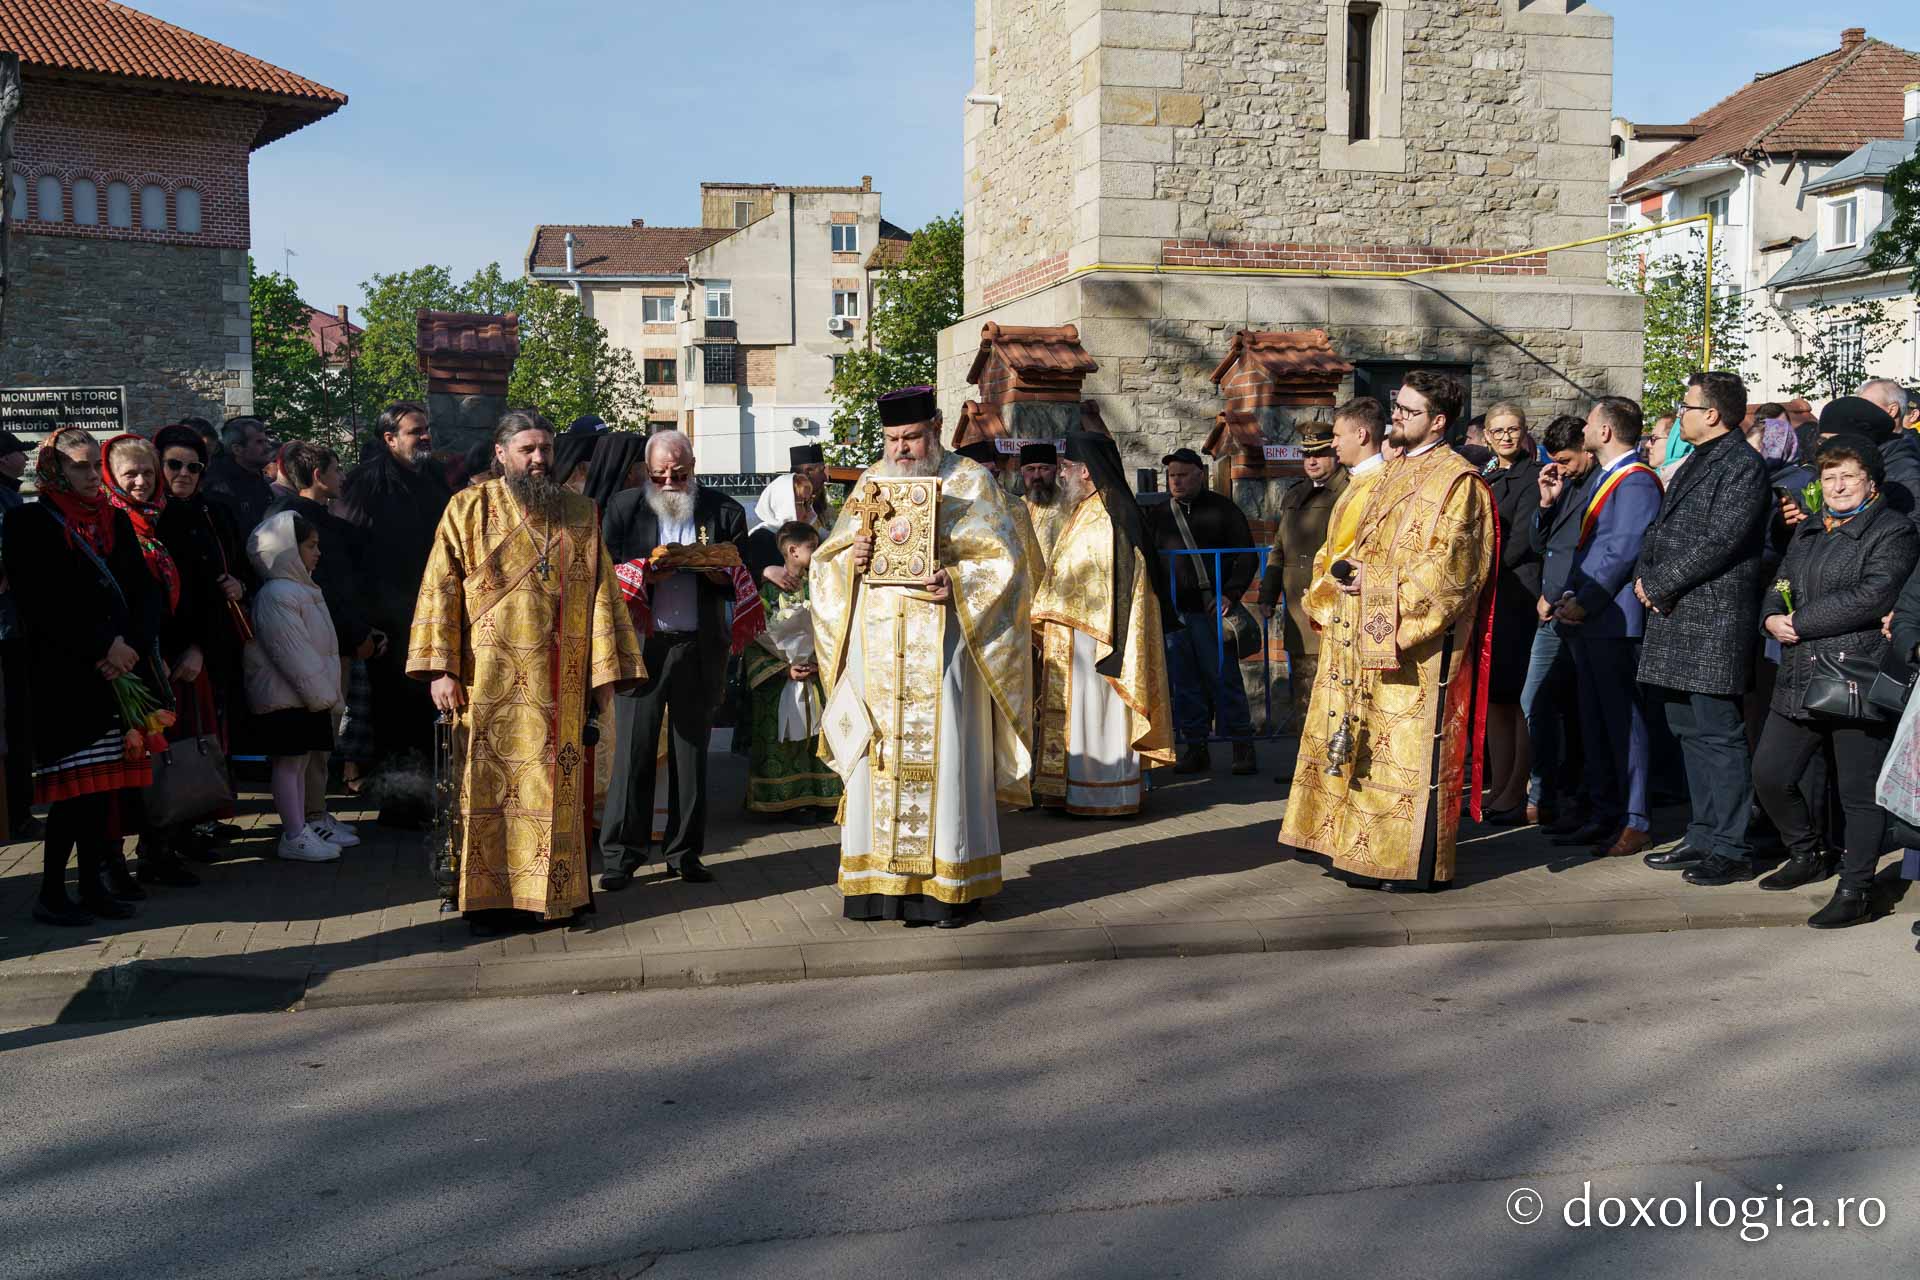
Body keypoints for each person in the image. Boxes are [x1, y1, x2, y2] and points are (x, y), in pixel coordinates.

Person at [411, 410, 644, 930]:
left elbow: (604, 595)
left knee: (555, 792)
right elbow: (439, 588)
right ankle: (492, 903)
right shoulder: (467, 509)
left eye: (545, 449)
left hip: (559, 682)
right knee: (487, 790)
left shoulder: (580, 512)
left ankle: (555, 897)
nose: (539, 460)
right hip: (484, 680)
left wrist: (605, 676)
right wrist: (441, 670)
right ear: (501, 453)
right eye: (527, 450)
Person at [811, 386, 1034, 927]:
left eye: (911, 437)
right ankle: (875, 888)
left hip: (945, 648)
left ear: (934, 427)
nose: (902, 450)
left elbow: (1006, 561)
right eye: (892, 440)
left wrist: (955, 578)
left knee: (948, 759)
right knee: (876, 760)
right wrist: (852, 559)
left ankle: (948, 889)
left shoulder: (971, 481)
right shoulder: (869, 483)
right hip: (879, 656)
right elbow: (826, 563)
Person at [1280, 370, 1497, 893]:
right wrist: (1348, 576)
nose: (1395, 418)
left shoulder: (1458, 482)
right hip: (1363, 630)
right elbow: (1364, 545)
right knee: (1365, 744)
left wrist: (1382, 597)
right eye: (1396, 408)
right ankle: (1360, 852)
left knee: (1404, 753)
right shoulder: (1393, 471)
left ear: (1438, 421)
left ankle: (1410, 863)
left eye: (1407, 411)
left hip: (1415, 645)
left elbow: (1453, 569)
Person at [1752, 437, 1918, 927]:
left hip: (1854, 673)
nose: (1837, 485)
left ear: (1870, 479)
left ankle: (1857, 888)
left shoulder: (1893, 530)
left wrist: (1799, 621)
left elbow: (1874, 594)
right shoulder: (1809, 528)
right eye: (1828, 477)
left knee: (1858, 790)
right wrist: (1769, 617)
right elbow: (1780, 582)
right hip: (1800, 672)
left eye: (1847, 475)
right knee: (1770, 773)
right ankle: (1807, 852)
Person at [7, 428, 164, 924]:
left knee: (103, 793)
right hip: (66, 676)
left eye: (94, 465)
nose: (90, 475)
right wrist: (103, 647)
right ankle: (53, 893)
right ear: (53, 468)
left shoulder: (113, 519)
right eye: (78, 466)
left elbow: (144, 592)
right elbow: (42, 601)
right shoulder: (29, 521)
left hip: (118, 672)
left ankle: (94, 886)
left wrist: (131, 647)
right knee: (73, 795)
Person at [1635, 371, 1772, 885]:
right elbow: (1664, 530)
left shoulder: (1742, 466)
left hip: (1710, 617)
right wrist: (1645, 578)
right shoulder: (1699, 459)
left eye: (1687, 406)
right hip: (1676, 614)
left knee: (1718, 733)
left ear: (1711, 414)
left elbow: (1721, 541)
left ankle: (1731, 847)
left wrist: (1659, 583)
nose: (1681, 414)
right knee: (1688, 730)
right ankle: (1704, 832)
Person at [599, 428, 748, 887]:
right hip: (643, 646)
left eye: (678, 474)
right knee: (634, 753)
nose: (669, 483)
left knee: (691, 753)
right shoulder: (624, 507)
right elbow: (604, 569)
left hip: (699, 645)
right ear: (647, 471)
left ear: (693, 468)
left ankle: (684, 853)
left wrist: (713, 570)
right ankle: (622, 856)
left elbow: (740, 576)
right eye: (660, 475)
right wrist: (647, 574)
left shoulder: (723, 510)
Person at [1030, 431, 1177, 814]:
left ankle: (1104, 794)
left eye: (1065, 468)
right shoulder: (1083, 510)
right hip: (1076, 634)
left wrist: (1054, 611)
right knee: (1079, 715)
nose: (1060, 475)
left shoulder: (1113, 516)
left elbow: (1118, 585)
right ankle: (1070, 791)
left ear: (1087, 473)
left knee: (1098, 713)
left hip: (1101, 641)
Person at [1544, 398, 1662, 858]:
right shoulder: (1604, 476)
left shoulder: (1635, 481)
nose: (1586, 428)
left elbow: (1621, 548)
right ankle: (1603, 811)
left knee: (1623, 722)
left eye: (1591, 422)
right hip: (1590, 616)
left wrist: (1586, 601)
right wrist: (1571, 595)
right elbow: (1586, 546)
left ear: (1607, 432)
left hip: (1614, 620)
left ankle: (1635, 818)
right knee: (1593, 721)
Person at [98, 433, 208, 888]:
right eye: (132, 474)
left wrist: (192, 646)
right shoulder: (109, 522)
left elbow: (185, 592)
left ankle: (160, 847)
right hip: (127, 658)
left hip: (165, 653)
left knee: (161, 758)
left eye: (147, 472)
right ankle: (114, 861)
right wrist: (142, 652)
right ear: (113, 477)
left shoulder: (163, 519)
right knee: (126, 764)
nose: (141, 482)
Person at [338, 401, 452, 827]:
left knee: (429, 710)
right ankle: (398, 802)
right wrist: (364, 618)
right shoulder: (366, 482)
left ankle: (427, 797)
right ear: (389, 438)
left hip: (433, 610)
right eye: (414, 431)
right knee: (394, 715)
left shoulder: (435, 477)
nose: (424, 437)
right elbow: (349, 550)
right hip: (388, 619)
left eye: (426, 430)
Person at [150, 424, 250, 860]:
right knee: (175, 743)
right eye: (174, 465)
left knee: (208, 736)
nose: (184, 473)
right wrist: (191, 646)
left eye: (193, 466)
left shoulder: (215, 510)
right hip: (170, 648)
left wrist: (239, 584)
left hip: (213, 643)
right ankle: (168, 834)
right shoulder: (150, 517)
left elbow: (239, 563)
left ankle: (199, 817)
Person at [265, 443, 371, 848]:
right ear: (316, 476)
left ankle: (317, 812)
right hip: (315, 650)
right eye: (336, 470)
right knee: (311, 742)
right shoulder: (292, 520)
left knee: (325, 742)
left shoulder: (319, 518)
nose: (341, 478)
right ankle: (307, 818)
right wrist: (354, 632)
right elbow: (328, 586)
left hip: (332, 643)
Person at [1148, 446, 1258, 776]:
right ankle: (1196, 746)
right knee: (1185, 684)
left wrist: (1231, 594)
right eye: (1171, 476)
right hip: (1174, 611)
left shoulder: (1223, 510)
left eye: (1182, 475)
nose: (1176, 482)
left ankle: (1242, 744)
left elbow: (1247, 555)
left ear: (1200, 475)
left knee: (1223, 678)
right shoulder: (1158, 514)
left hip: (1211, 611)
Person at [244, 512, 346, 863]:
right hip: (287, 699)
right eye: (310, 546)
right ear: (288, 549)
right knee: (288, 766)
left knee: (299, 765)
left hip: (303, 697)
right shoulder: (278, 593)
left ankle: (303, 825)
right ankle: (294, 833)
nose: (318, 553)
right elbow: (294, 653)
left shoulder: (301, 588)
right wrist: (324, 697)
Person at [1524, 415, 1596, 830]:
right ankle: (1543, 788)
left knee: (1577, 711)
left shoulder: (1600, 486)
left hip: (1580, 609)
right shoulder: (1564, 485)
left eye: (1567, 460)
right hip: (1550, 613)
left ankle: (1572, 793)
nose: (1562, 468)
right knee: (1533, 701)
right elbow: (1541, 544)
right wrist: (1547, 502)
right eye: (1556, 462)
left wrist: (1567, 594)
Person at [1256, 421, 1347, 741]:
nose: (1311, 461)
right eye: (1307, 455)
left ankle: (1330, 762)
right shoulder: (1295, 495)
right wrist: (1267, 594)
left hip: (1334, 608)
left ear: (1334, 454)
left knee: (1336, 688)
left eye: (1319, 454)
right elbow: (1279, 550)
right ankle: (1306, 762)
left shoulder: (1349, 492)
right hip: (1299, 609)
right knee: (1304, 688)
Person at [744, 521, 842, 817]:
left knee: (819, 738)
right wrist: (784, 669)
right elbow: (752, 637)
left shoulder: (823, 587)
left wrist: (819, 661)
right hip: (778, 679)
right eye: (813, 547)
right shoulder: (767, 591)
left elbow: (836, 626)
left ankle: (822, 798)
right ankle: (780, 801)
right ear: (792, 550)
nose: (819, 551)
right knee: (781, 741)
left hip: (817, 673)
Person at [1478, 404, 1543, 819]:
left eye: (1513, 429)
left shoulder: (1530, 477)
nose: (1506, 437)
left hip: (1516, 593)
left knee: (1515, 697)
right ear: (1486, 435)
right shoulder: (1486, 476)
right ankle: (1498, 786)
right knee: (1495, 699)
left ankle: (1516, 789)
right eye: (1498, 431)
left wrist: (1475, 572)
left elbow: (1520, 540)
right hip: (1489, 595)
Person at [0, 429, 32, 837]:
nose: (22, 459)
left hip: (12, 621)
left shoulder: (10, 495)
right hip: (6, 627)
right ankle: (15, 813)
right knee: (13, 722)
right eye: (16, 454)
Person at [202, 416, 277, 535]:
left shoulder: (259, 479)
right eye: (259, 442)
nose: (267, 447)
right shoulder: (219, 487)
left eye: (266, 441)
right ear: (237, 449)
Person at [1018, 442, 1070, 568]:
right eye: (1030, 469)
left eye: (1044, 469)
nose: (1037, 476)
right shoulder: (1016, 506)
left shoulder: (1069, 505)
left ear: (1056, 470)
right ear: (1022, 472)